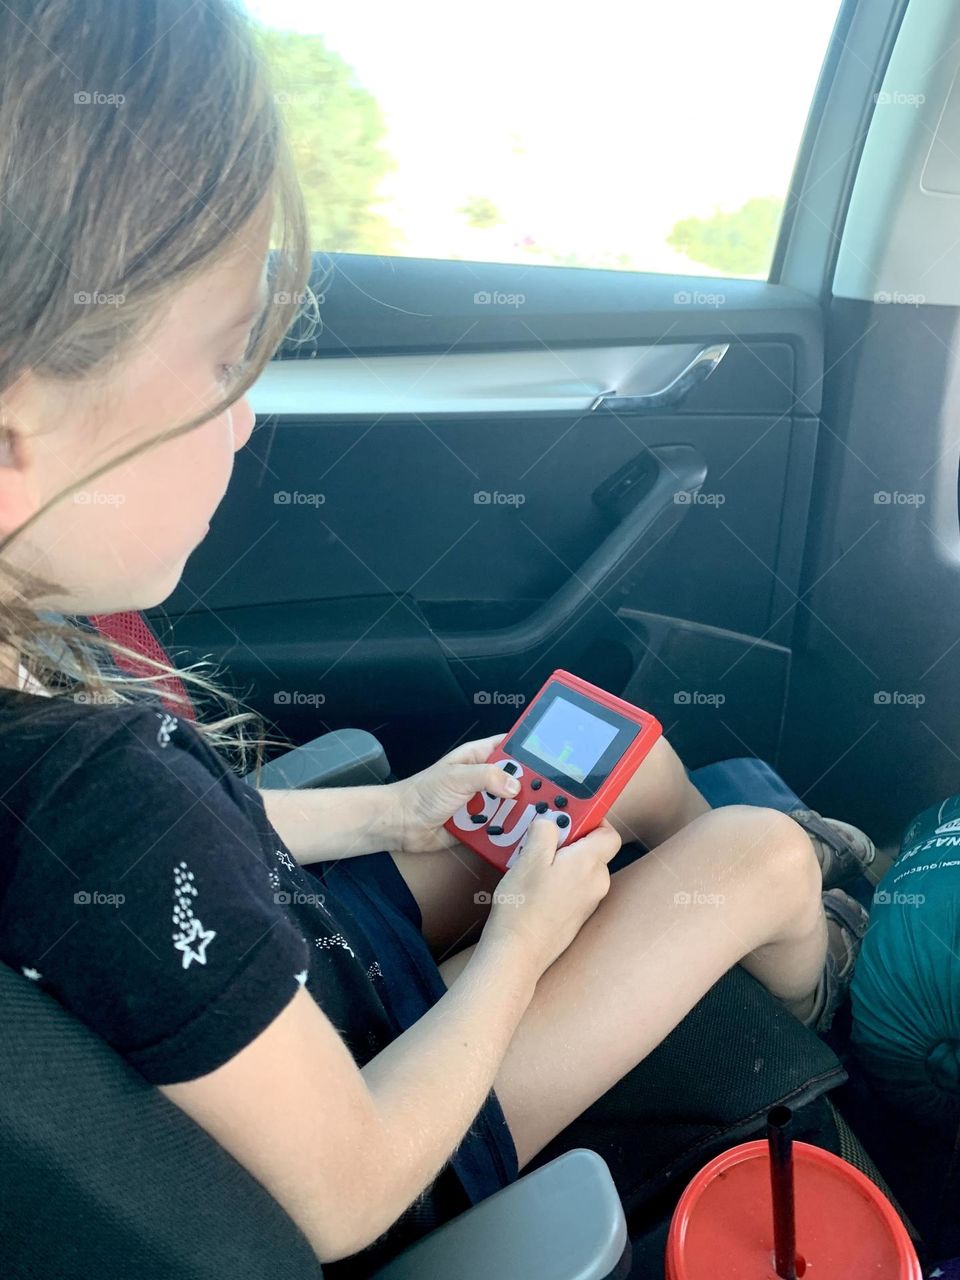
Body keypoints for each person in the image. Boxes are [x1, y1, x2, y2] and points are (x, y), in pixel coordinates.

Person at [0, 1, 873, 1272]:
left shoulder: (50, 737)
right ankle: (823, 983)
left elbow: (153, 898)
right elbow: (346, 1189)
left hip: (306, 965)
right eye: (223, 359)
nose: (246, 423)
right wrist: (520, 942)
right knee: (753, 858)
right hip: (396, 1107)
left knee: (594, 772)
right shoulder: (95, 799)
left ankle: (741, 874)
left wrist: (395, 808)